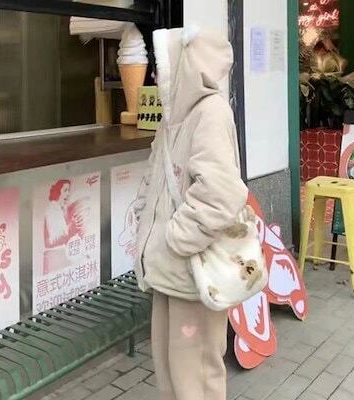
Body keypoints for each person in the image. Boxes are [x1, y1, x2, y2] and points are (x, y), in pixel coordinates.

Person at [135, 26, 248, 400]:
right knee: (171, 371)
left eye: (162, 63)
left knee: (195, 375)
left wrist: (175, 239)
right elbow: (154, 178)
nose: (155, 73)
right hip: (169, 269)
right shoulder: (172, 119)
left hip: (194, 270)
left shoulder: (210, 113)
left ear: (183, 66)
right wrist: (146, 225)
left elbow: (221, 193)